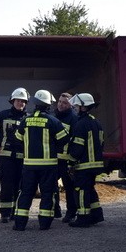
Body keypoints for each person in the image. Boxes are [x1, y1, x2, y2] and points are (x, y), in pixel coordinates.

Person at [11, 90, 67, 231]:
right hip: (48, 166)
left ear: (35, 103)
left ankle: (20, 224)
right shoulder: (53, 121)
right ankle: (44, 223)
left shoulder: (25, 121)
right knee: (48, 194)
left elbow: (17, 140)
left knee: (25, 193)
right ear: (48, 105)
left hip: (29, 165)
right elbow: (64, 140)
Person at [0, 88, 29, 223]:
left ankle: (15, 212)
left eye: (23, 101)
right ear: (12, 101)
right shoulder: (2, 115)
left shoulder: (29, 118)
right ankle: (5, 213)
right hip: (6, 157)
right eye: (18, 100)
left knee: (19, 186)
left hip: (22, 158)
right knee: (7, 185)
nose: (20, 103)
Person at [66, 93, 105, 228]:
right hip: (96, 164)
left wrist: (70, 162)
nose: (75, 108)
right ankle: (96, 214)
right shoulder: (96, 122)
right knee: (89, 189)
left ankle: (83, 217)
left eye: (76, 106)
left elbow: (77, 148)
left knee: (80, 190)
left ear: (83, 107)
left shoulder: (80, 124)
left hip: (84, 165)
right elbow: (101, 143)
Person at [54, 91, 79, 223]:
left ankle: (71, 212)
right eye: (59, 102)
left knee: (69, 187)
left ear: (71, 105)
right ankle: (55, 209)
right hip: (53, 158)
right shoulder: (53, 116)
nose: (61, 105)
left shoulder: (73, 118)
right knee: (51, 185)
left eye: (64, 103)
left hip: (66, 159)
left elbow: (74, 140)